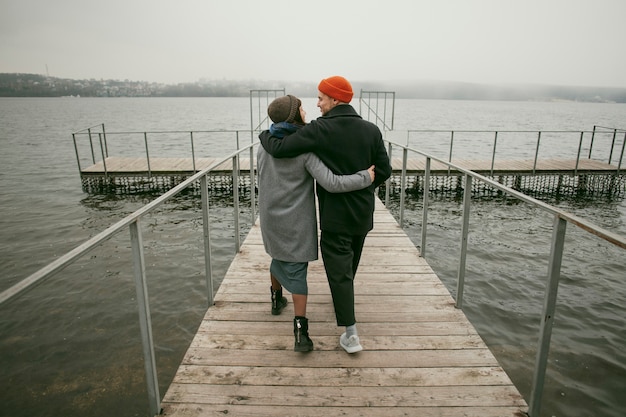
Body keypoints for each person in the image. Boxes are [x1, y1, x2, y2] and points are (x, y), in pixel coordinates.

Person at [259, 76, 392, 354]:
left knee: (341, 273)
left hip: (334, 214)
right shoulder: (371, 130)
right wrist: (367, 184)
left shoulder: (320, 129)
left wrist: (264, 135)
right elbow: (385, 170)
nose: (317, 103)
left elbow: (281, 148)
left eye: (321, 98)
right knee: (349, 265)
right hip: (362, 212)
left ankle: (351, 333)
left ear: (335, 99)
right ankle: (343, 302)